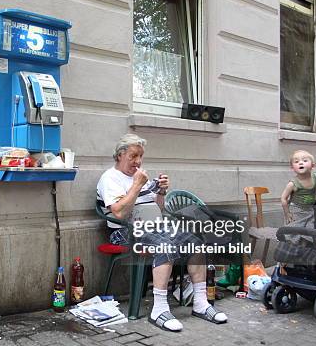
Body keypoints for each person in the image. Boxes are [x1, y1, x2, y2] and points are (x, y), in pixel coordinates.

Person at [96, 133, 227, 332]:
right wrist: (137, 185)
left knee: (196, 242)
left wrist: (160, 193)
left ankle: (201, 304)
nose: (138, 161)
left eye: (141, 156)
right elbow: (120, 213)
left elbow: (160, 209)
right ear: (120, 155)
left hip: (154, 226)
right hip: (125, 232)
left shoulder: (140, 177)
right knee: (165, 245)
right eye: (133, 156)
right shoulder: (110, 178)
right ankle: (159, 309)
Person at [280, 150, 316, 245]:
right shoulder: (292, 184)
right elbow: (283, 198)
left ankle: (304, 250)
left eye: (305, 160)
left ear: (313, 165)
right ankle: (292, 250)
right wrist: (287, 213)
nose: (300, 162)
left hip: (309, 210)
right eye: (296, 161)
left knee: (308, 232)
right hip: (296, 210)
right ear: (292, 168)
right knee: (294, 232)